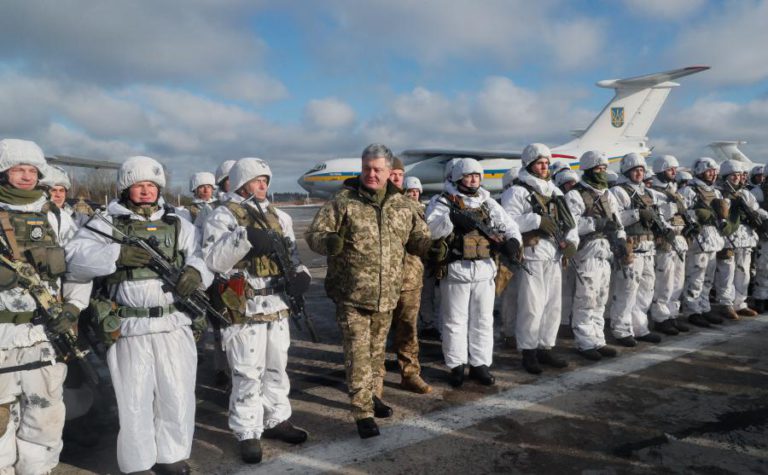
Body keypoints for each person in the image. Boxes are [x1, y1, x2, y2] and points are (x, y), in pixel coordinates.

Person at [66, 156, 213, 475]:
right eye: (138, 185)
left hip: (173, 323)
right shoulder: (107, 223)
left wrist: (196, 272)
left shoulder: (178, 223)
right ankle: (138, 464)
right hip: (129, 326)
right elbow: (75, 258)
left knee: (177, 394)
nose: (146, 191)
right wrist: (116, 254)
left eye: (151, 185)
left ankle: (172, 455)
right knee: (134, 400)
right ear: (125, 189)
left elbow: (202, 255)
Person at [306, 143, 436, 439]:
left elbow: (417, 238)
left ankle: (373, 395)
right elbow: (314, 234)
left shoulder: (403, 205)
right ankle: (362, 411)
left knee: (377, 353)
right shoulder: (343, 202)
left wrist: (432, 248)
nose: (371, 174)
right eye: (367, 168)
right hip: (351, 295)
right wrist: (328, 242)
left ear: (390, 172)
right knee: (358, 354)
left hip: (386, 295)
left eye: (378, 169)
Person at [202, 157, 310, 463]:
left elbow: (291, 255)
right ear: (240, 182)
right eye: (256, 180)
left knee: (277, 366)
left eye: (266, 180)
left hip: (277, 303)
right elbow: (213, 260)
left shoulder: (279, 216)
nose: (263, 184)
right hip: (243, 306)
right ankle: (247, 430)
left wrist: (301, 275)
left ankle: (277, 419)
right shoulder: (222, 215)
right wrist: (245, 239)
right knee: (247, 371)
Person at [0, 139, 86, 475]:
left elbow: (78, 267)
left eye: (32, 170)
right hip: (3, 335)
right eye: (18, 169)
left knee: (45, 415)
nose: (26, 176)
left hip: (46, 333)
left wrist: (74, 307)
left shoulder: (55, 217)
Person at [428, 158, 520, 385]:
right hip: (456, 269)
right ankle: (456, 365)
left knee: (483, 320)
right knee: (454, 321)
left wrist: (513, 242)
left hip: (484, 270)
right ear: (458, 178)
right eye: (468, 176)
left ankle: (480, 364)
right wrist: (451, 218)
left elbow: (509, 225)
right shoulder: (443, 201)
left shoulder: (487, 203)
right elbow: (430, 229)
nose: (473, 180)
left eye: (477, 176)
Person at [502, 144, 575, 374]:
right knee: (531, 306)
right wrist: (536, 221)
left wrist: (572, 243)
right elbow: (507, 222)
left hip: (554, 254)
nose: (544, 167)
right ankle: (528, 351)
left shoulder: (555, 191)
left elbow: (569, 222)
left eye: (546, 163)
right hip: (532, 255)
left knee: (553, 305)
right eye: (539, 163)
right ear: (529, 165)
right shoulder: (517, 191)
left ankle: (545, 346)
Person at [564, 150, 624, 361]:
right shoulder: (575, 195)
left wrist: (621, 239)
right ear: (588, 170)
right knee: (586, 298)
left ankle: (598, 339)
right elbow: (570, 225)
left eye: (605, 168)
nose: (602, 172)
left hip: (605, 251)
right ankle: (584, 341)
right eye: (599, 168)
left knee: (600, 298)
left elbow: (617, 222)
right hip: (587, 251)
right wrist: (596, 223)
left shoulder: (607, 194)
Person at [608, 153, 663, 347]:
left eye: (641, 170)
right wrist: (637, 213)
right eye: (635, 170)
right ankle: (621, 330)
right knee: (627, 290)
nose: (639, 173)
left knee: (646, 290)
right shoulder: (618, 191)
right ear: (626, 171)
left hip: (648, 247)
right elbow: (615, 219)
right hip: (631, 247)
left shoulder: (647, 192)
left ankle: (640, 328)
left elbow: (656, 215)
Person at [388, 171, 431, 394]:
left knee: (408, 329)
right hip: (380, 281)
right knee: (378, 333)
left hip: (409, 277)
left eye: (400, 175)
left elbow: (424, 238)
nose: (396, 179)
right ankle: (374, 380)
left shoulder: (413, 208)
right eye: (392, 174)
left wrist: (431, 246)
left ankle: (410, 374)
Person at [679, 157, 735, 327]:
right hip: (698, 239)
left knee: (708, 279)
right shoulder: (689, 190)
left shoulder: (716, 192)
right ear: (699, 171)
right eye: (709, 171)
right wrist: (697, 215)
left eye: (714, 171)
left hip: (713, 239)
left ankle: (704, 307)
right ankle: (692, 310)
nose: (713, 174)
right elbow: (682, 213)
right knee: (695, 278)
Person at [647, 155, 693, 335]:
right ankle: (661, 318)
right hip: (665, 240)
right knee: (664, 282)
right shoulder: (653, 192)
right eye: (669, 169)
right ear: (660, 170)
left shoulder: (674, 190)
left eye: (675, 169)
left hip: (679, 238)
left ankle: (672, 314)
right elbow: (655, 216)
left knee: (677, 280)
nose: (674, 172)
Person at [714, 160, 760, 319]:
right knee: (727, 271)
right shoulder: (719, 192)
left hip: (745, 237)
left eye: (739, 175)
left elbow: (755, 209)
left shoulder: (745, 193)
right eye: (733, 175)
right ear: (725, 176)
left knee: (743, 272)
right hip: (728, 237)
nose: (737, 178)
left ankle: (740, 303)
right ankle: (726, 303)